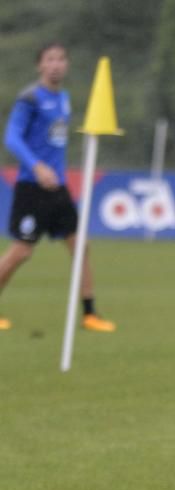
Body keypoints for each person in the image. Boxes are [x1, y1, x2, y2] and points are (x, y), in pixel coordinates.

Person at [0, 42, 115, 332]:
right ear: (40, 65)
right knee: (21, 252)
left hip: (59, 190)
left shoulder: (64, 98)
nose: (56, 64)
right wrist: (37, 166)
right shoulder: (30, 98)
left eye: (61, 59)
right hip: (32, 188)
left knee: (80, 248)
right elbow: (12, 138)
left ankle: (90, 314)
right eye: (50, 59)